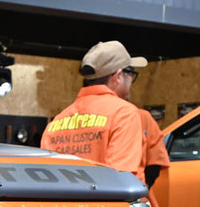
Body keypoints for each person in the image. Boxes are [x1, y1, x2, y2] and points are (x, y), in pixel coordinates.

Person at [40, 40, 146, 178]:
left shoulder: (57, 121)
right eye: (131, 73)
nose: (131, 80)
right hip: (104, 199)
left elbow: (46, 177)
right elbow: (120, 179)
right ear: (118, 75)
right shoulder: (124, 114)